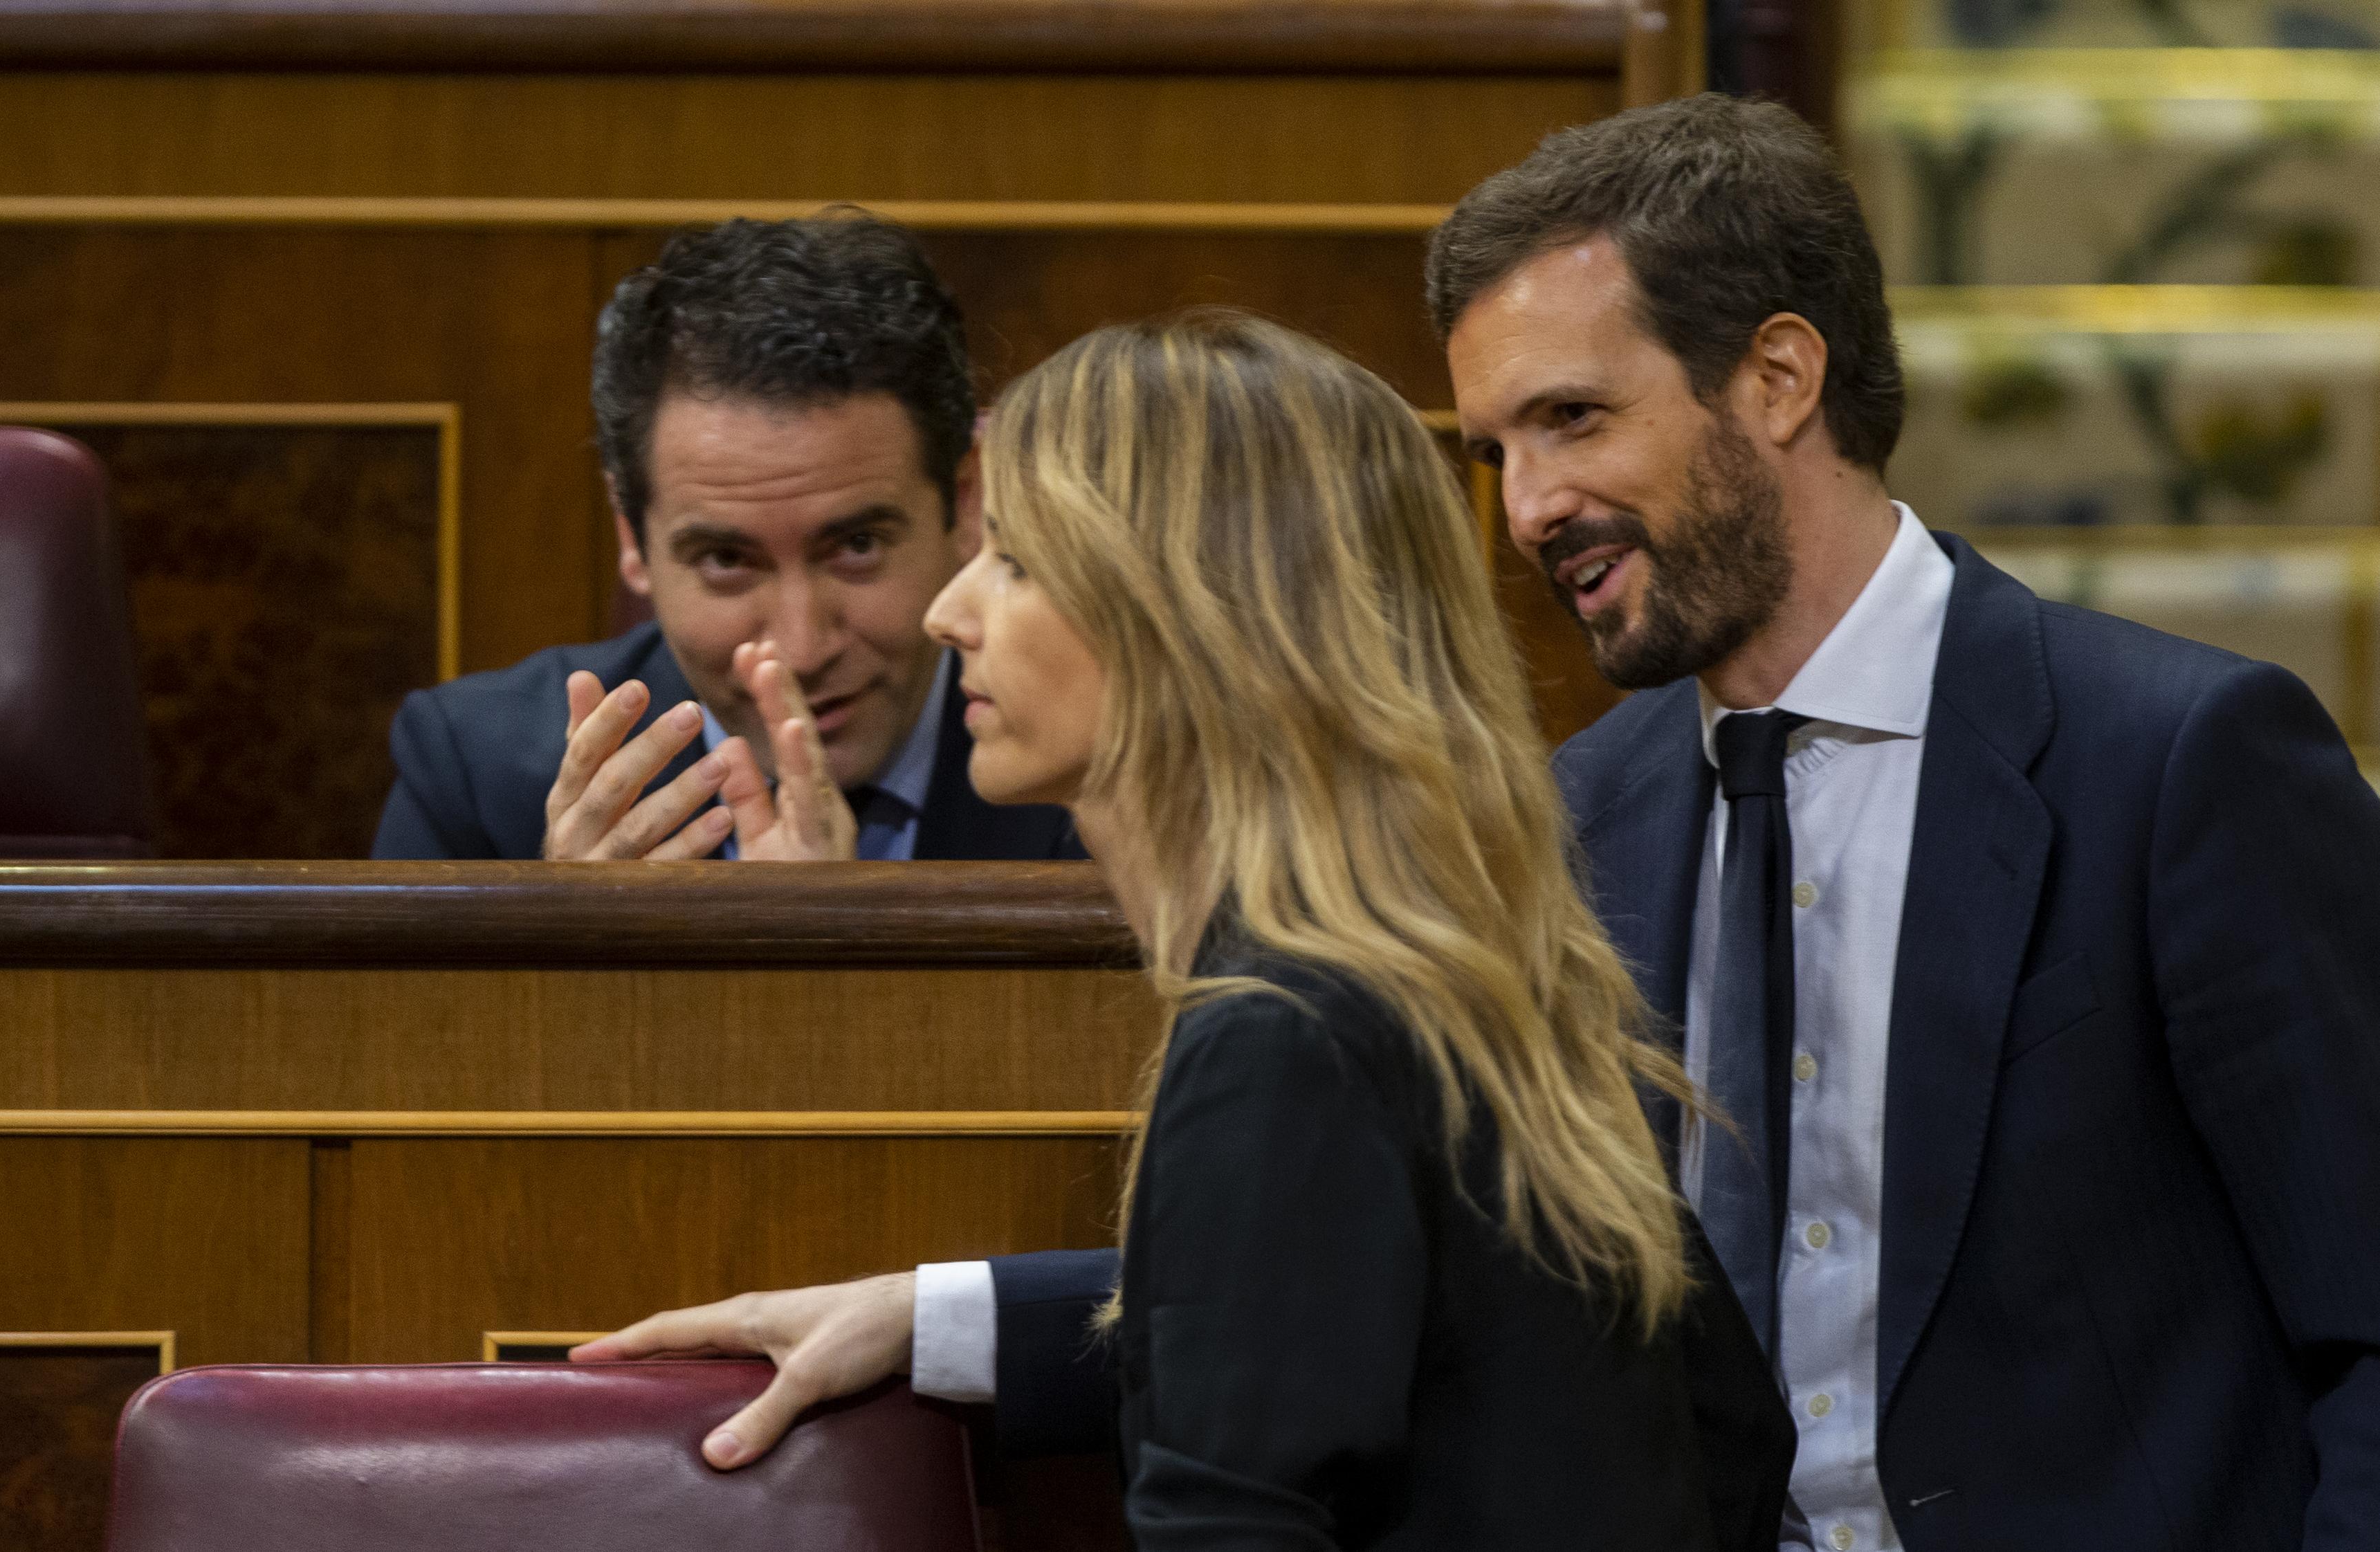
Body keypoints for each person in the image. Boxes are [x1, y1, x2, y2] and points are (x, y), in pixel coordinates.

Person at [597, 95, 2380, 1552]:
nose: (1527, 508)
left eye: (1573, 420)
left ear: (1775, 378)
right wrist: (949, 1318)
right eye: (1492, 449)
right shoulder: (1578, 810)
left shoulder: (2183, 760)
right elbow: (1460, 1267)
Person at [574, 312, 1797, 1548]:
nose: (949, 612)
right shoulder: (1457, 987)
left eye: (1011, 558)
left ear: (1179, 611)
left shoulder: (1280, 1036)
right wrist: (935, 1314)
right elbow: (1726, 1437)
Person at [371, 213, 1079, 863]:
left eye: (858, 545)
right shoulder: (477, 778)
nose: (800, 653)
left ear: (966, 502)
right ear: (632, 536)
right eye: (727, 560)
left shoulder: (1099, 762)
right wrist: (574, 968)